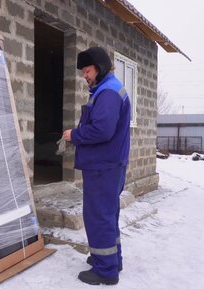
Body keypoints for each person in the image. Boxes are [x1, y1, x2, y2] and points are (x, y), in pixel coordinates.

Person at [62, 47, 131, 285]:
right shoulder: (107, 89)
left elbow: (102, 130)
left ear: (99, 68)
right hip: (109, 165)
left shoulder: (108, 93)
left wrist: (74, 135)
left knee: (99, 216)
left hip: (104, 166)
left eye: (87, 70)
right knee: (108, 215)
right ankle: (112, 259)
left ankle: (105, 271)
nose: (85, 76)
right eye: (83, 72)